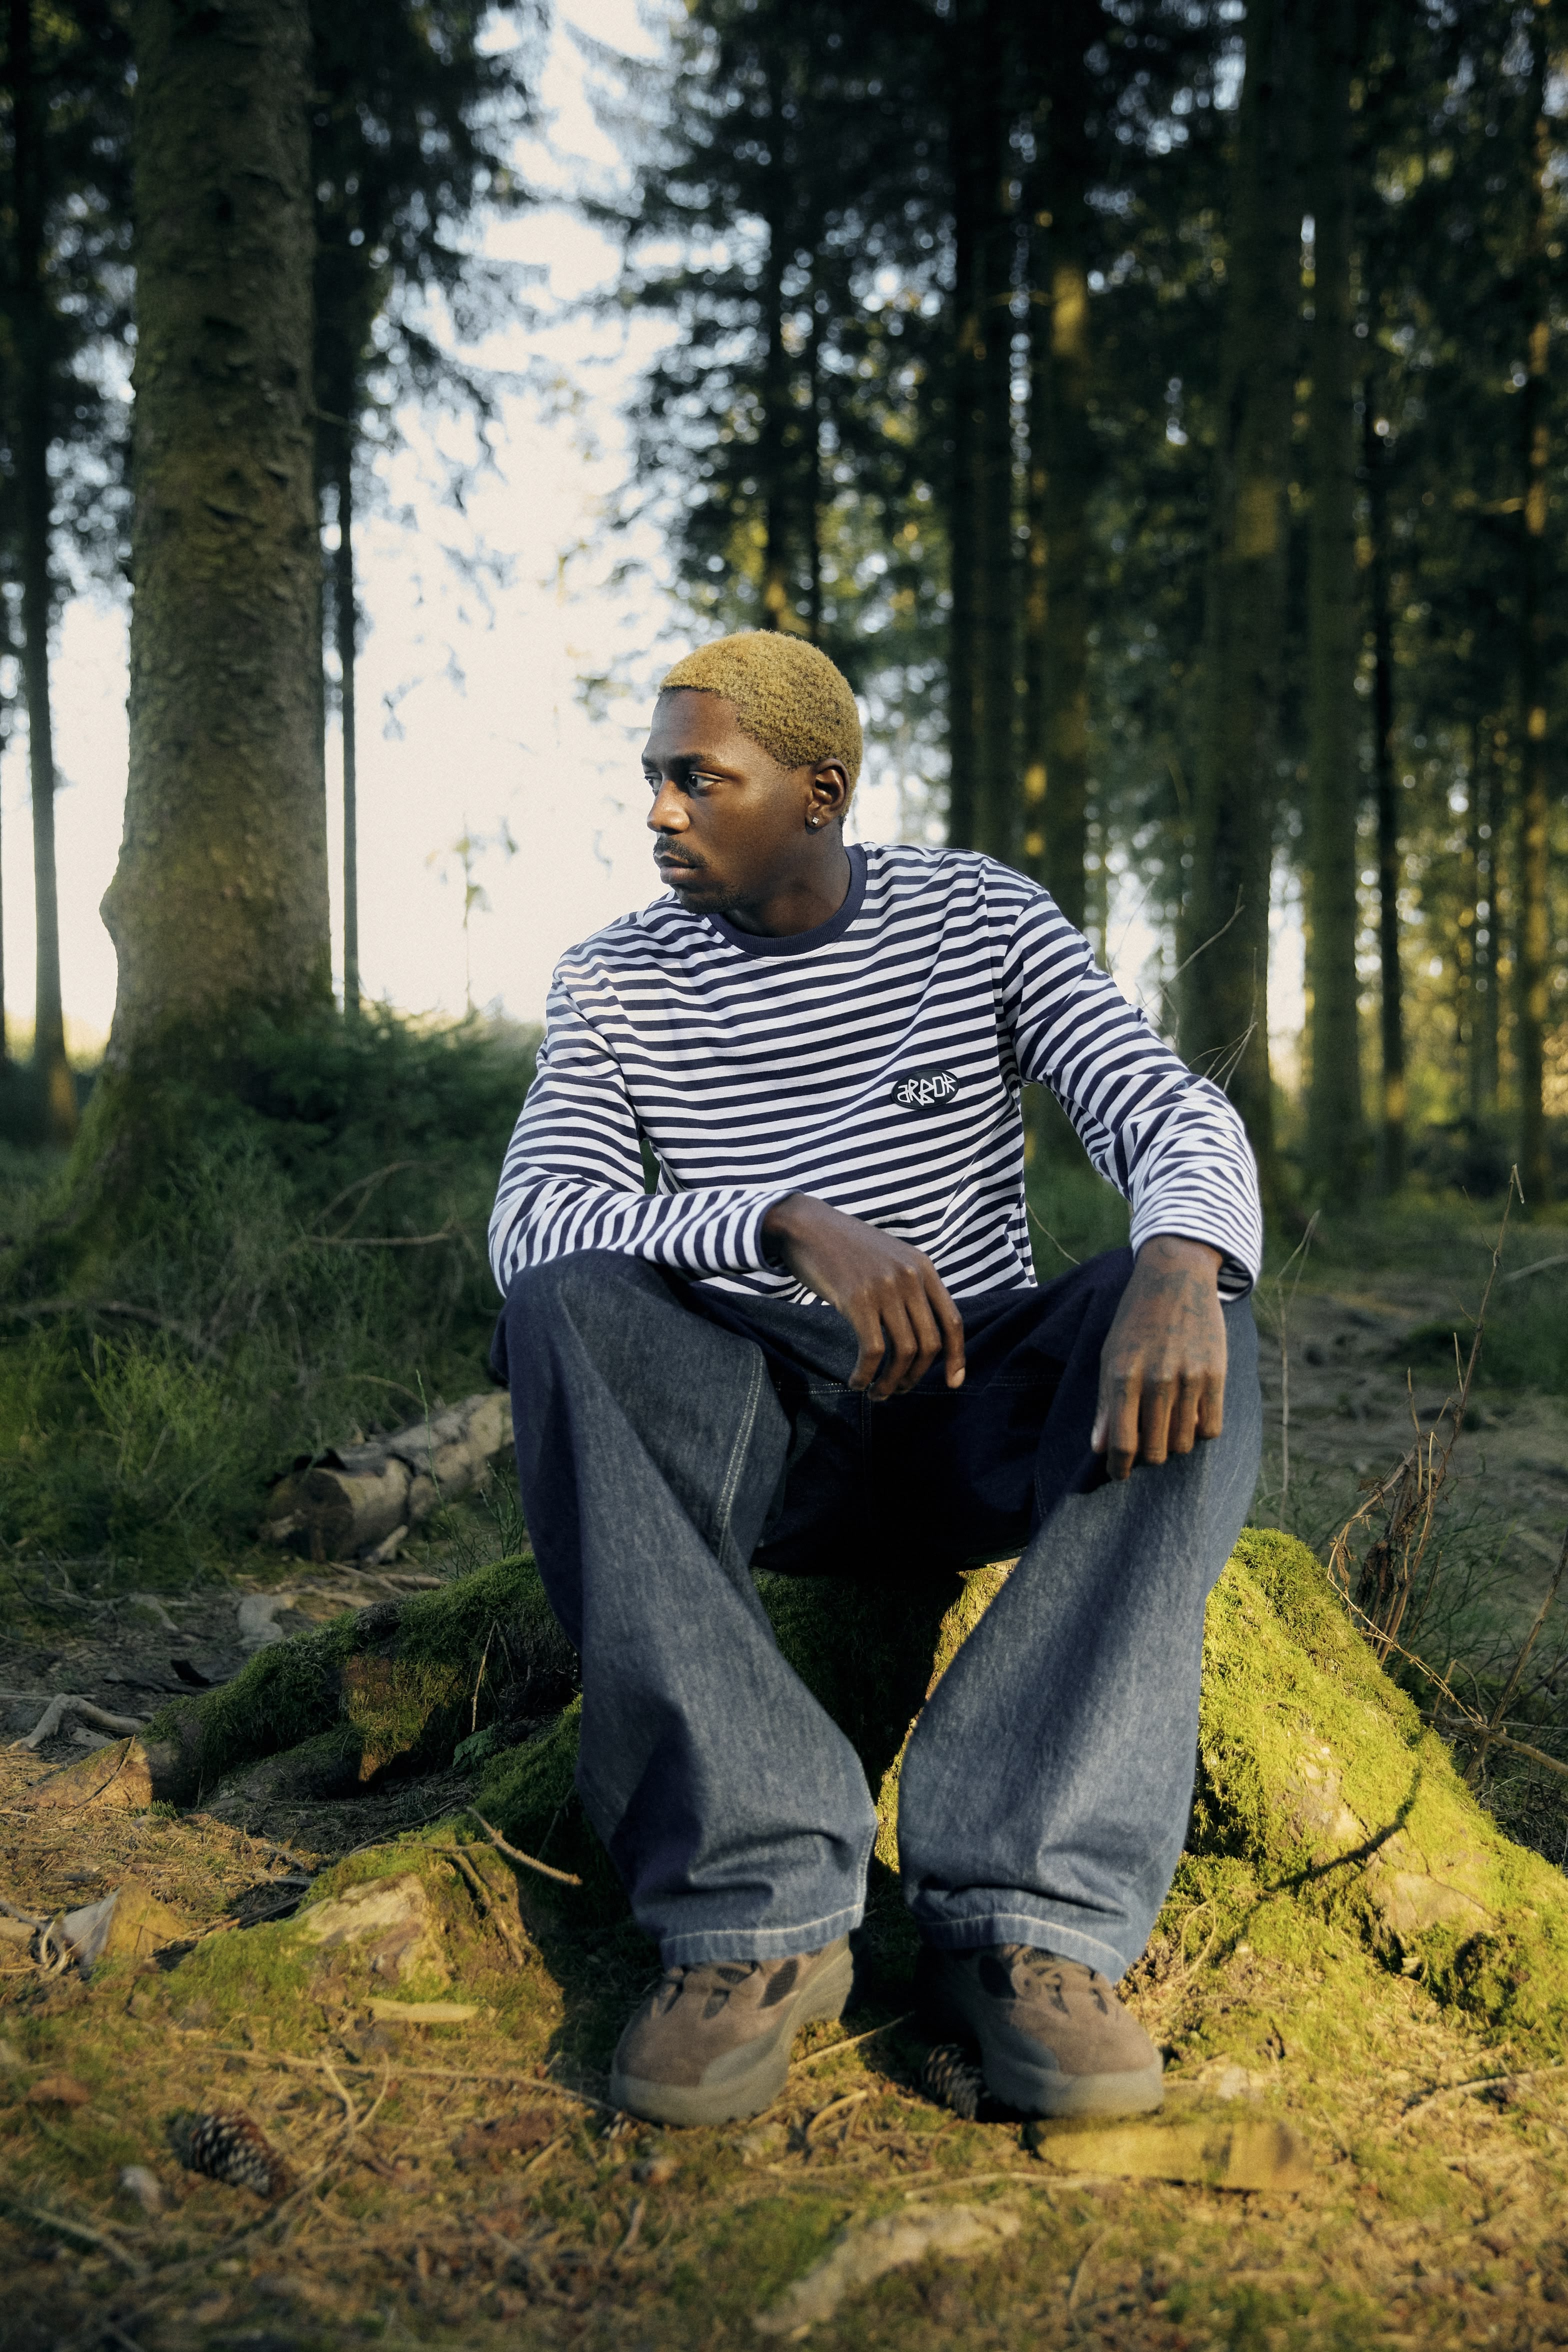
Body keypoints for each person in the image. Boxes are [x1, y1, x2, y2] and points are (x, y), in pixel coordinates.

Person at [488, 630, 1262, 2130]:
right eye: (652, 781)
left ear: (820, 791)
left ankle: (1024, 1913)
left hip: (982, 1406)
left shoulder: (979, 918)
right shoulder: (614, 980)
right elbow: (534, 1220)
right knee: (562, 1302)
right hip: (763, 1437)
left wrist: (1181, 1259)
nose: (659, 813)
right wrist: (780, 1219)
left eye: (698, 780)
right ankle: (753, 1907)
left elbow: (1159, 1102)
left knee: (1203, 1305)